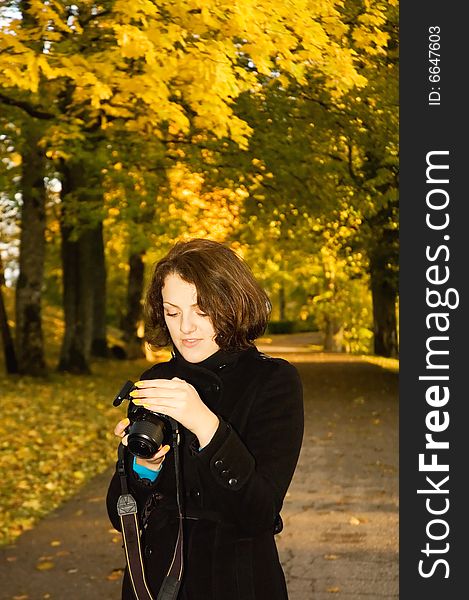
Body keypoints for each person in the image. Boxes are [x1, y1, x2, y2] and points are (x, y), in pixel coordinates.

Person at [106, 238, 304, 600]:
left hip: (236, 580)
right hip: (155, 580)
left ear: (233, 304)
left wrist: (205, 424)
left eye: (202, 310)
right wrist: (145, 466)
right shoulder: (155, 379)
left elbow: (259, 514)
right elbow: (120, 517)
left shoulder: (273, 381)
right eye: (172, 311)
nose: (186, 328)